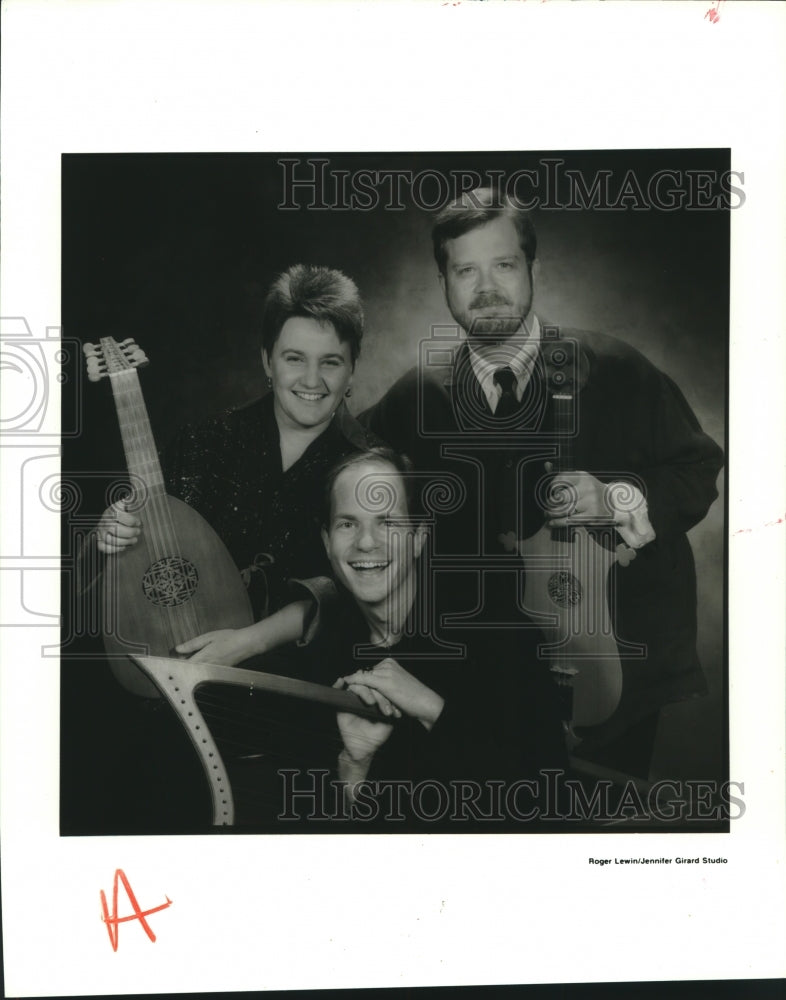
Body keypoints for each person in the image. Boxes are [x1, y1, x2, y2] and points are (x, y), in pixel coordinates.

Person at [359, 188, 725, 780]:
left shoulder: (616, 370)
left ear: (534, 269)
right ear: (443, 282)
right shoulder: (416, 394)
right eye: (464, 269)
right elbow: (342, 470)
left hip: (615, 672)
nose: (485, 286)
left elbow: (696, 468)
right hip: (479, 679)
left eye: (503, 264)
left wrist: (613, 498)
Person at [94, 263, 379, 665]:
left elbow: (357, 591)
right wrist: (114, 533)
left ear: (352, 368)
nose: (312, 380)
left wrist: (252, 640)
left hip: (304, 679)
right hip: (182, 665)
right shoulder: (204, 442)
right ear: (267, 361)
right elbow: (151, 555)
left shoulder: (374, 468)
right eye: (294, 358)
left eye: (331, 362)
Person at [270, 448, 567, 830]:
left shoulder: (498, 633)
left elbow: (548, 804)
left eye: (387, 523)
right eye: (348, 524)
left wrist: (431, 709)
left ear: (418, 538)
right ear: (328, 542)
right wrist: (355, 766)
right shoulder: (326, 657)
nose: (365, 543)